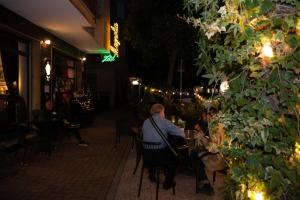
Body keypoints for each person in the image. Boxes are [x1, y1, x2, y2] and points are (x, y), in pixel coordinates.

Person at [142, 103, 185, 190]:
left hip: (146, 156)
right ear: (161, 112)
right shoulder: (164, 121)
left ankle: (152, 175)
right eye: (164, 112)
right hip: (160, 157)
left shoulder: (145, 121)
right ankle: (168, 183)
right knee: (175, 158)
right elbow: (181, 133)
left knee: (155, 147)